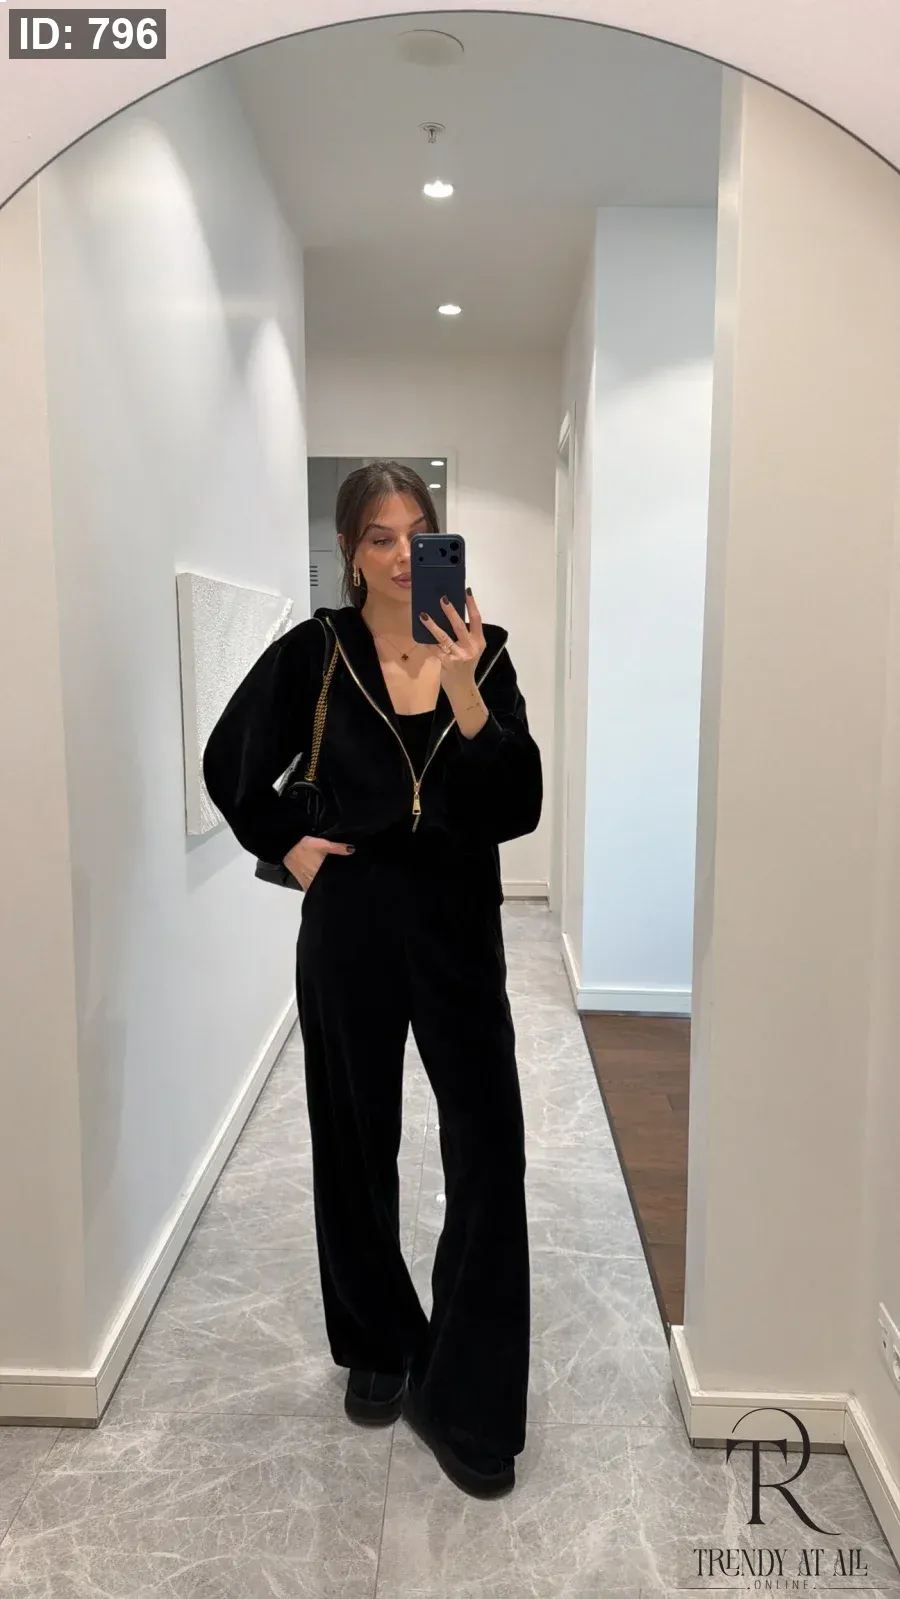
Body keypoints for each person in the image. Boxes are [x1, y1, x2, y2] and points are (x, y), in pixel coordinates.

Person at [202, 461, 542, 1498]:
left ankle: (470, 1396)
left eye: (418, 533)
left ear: (441, 543)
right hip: (350, 924)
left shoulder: (487, 654)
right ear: (350, 550)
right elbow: (229, 760)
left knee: (489, 1146)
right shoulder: (315, 652)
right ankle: (378, 1340)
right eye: (381, 537)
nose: (401, 555)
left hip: (457, 926)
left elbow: (518, 804)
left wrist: (466, 689)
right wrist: (285, 843)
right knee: (355, 1139)